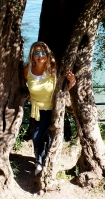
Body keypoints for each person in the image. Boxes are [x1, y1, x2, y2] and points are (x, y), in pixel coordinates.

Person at [23, 41, 76, 175]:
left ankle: (40, 162)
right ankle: (43, 159)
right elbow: (22, 87)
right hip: (36, 110)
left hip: (51, 110)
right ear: (32, 55)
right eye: (36, 53)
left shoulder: (53, 69)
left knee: (37, 135)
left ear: (47, 54)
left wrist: (72, 82)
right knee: (44, 136)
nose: (40, 55)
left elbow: (62, 90)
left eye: (43, 52)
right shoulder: (27, 70)